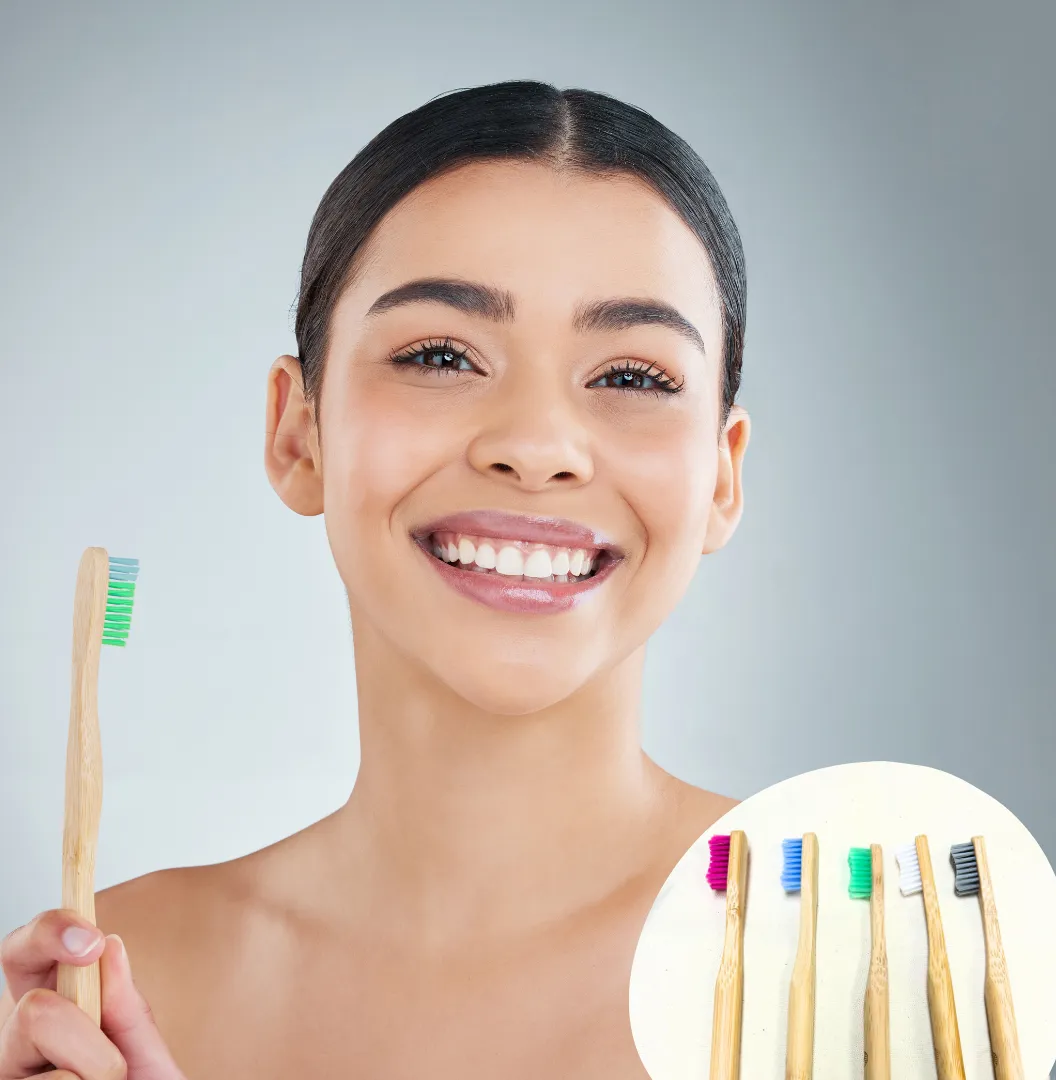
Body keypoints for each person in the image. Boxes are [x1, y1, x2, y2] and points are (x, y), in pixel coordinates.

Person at [0, 80, 751, 1079]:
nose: (536, 446)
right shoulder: (110, 988)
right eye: (442, 354)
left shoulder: (867, 956)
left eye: (633, 376)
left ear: (722, 475)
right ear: (297, 432)